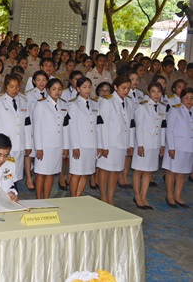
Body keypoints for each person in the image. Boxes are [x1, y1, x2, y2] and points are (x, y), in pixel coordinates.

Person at [96, 75, 134, 205]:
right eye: (123, 88)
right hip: (110, 142)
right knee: (105, 169)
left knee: (115, 170)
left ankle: (110, 197)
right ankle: (103, 195)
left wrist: (130, 143)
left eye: (128, 88)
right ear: (116, 87)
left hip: (121, 142)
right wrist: (103, 146)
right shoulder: (107, 101)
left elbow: (130, 124)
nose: (126, 91)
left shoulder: (129, 102)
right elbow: (102, 125)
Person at [0, 75, 30, 182]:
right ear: (6, 87)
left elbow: (27, 124)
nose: (15, 90)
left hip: (19, 144)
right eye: (11, 87)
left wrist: (28, 144)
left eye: (17, 87)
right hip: (2, 147)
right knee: (2, 175)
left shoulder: (24, 101)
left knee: (15, 175)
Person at [32, 78, 69, 199]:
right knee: (41, 173)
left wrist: (65, 146)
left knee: (51, 173)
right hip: (45, 145)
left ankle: (46, 198)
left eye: (59, 89)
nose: (57, 92)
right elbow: (37, 128)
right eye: (54, 89)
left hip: (57, 145)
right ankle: (38, 199)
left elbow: (65, 127)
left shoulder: (63, 104)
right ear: (48, 90)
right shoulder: (41, 104)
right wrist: (39, 148)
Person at [132, 82, 166, 209]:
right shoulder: (142, 107)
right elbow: (139, 127)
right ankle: (137, 196)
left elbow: (162, 127)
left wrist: (162, 144)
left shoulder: (162, 107)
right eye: (153, 91)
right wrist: (140, 145)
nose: (156, 94)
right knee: (138, 170)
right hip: (144, 143)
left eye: (159, 91)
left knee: (148, 171)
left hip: (155, 144)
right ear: (148, 92)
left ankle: (144, 196)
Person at [65, 77, 99, 197]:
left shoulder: (95, 104)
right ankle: (73, 197)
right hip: (79, 144)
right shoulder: (73, 104)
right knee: (76, 173)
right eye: (84, 87)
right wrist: (75, 146)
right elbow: (72, 127)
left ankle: (78, 197)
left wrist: (98, 145)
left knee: (87, 172)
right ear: (78, 88)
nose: (87, 90)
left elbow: (97, 127)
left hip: (91, 143)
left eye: (89, 87)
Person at [163, 87, 193, 208]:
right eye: (186, 98)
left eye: (192, 98)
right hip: (176, 146)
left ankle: (178, 196)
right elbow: (169, 130)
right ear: (181, 98)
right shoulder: (175, 110)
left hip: (189, 146)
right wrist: (171, 147)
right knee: (172, 171)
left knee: (183, 173)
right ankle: (170, 195)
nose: (189, 100)